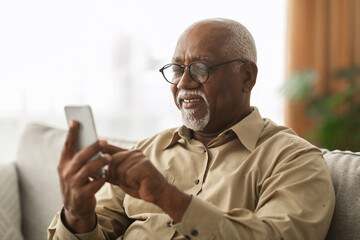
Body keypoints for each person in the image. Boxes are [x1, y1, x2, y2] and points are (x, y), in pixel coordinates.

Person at [48, 18, 335, 240]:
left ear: (246, 77)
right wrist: (77, 212)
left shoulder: (293, 159)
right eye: (176, 69)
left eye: (200, 68)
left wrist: (167, 197)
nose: (183, 83)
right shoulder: (146, 152)